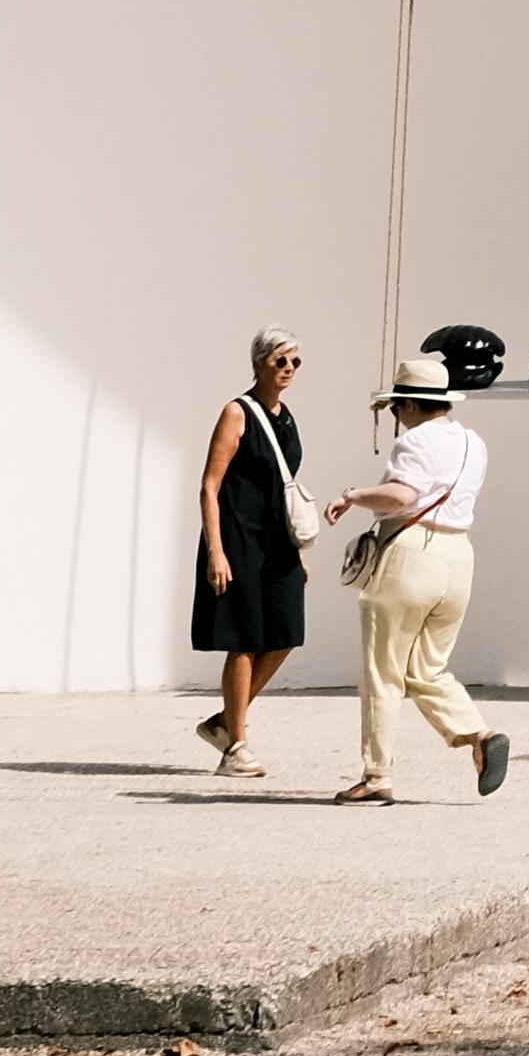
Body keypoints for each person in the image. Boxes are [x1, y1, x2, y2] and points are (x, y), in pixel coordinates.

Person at [320, 356, 505, 803]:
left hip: (411, 554)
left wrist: (353, 496)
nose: (395, 416)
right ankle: (479, 735)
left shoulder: (415, 440)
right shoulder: (473, 442)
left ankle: (376, 776)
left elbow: (403, 495)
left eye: (394, 408)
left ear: (408, 405)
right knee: (427, 667)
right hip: (458, 556)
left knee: (382, 670)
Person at [193, 332, 315, 776]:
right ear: (260, 362)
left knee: (286, 632)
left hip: (278, 543)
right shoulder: (237, 412)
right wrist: (216, 551)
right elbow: (210, 485)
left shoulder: (287, 417)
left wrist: (298, 552)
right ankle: (236, 747)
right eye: (281, 360)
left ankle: (226, 722)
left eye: (295, 362)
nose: (289, 369)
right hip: (239, 539)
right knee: (244, 639)